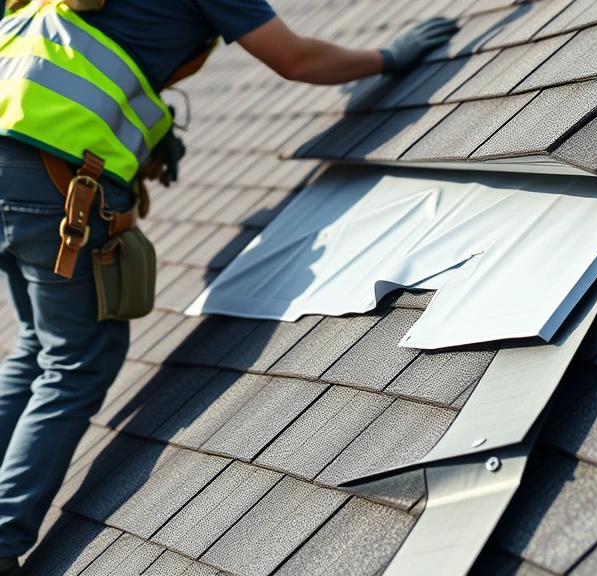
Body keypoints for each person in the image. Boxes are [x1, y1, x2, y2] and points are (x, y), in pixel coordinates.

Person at [0, 0, 457, 571]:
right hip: (54, 181)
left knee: (37, 347)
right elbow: (293, 58)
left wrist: (143, 119)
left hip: (14, 169)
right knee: (77, 360)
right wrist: (388, 56)